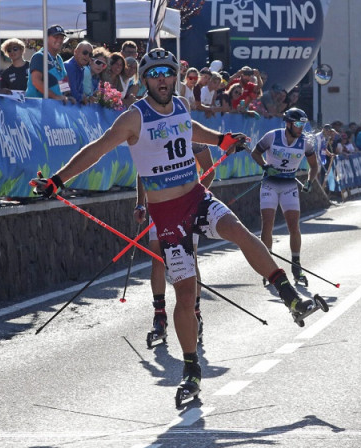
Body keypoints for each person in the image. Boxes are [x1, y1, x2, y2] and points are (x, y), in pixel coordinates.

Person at [31, 48, 316, 401]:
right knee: (185, 292)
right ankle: (192, 369)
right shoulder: (134, 118)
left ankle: (289, 297)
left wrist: (221, 140)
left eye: (168, 73)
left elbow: (191, 129)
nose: (163, 80)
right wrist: (57, 181)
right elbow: (97, 150)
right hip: (167, 217)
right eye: (156, 74)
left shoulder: (180, 104)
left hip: (197, 198)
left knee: (239, 231)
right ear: (146, 79)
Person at [134, 142, 215, 346]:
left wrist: (196, 198)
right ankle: (159, 316)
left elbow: (210, 170)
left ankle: (196, 313)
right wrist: (140, 203)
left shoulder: (193, 139)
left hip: (186, 206)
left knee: (190, 257)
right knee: (157, 259)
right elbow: (143, 171)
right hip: (160, 205)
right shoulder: (152, 137)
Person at [250, 108, 319, 287]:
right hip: (270, 183)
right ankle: (268, 267)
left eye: (303, 124)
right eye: (297, 124)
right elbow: (255, 153)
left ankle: (296, 266)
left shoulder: (305, 143)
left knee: (294, 225)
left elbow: (314, 166)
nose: (300, 128)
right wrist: (265, 166)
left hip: (289, 185)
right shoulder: (272, 136)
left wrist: (310, 182)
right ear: (288, 123)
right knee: (268, 224)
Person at [25, 25, 74, 103]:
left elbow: (63, 80)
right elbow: (36, 81)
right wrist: (55, 97)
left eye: (61, 38)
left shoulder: (58, 59)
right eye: (56, 37)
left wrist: (67, 96)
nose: (59, 40)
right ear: (46, 38)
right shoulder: (40, 56)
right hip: (37, 106)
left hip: (52, 106)